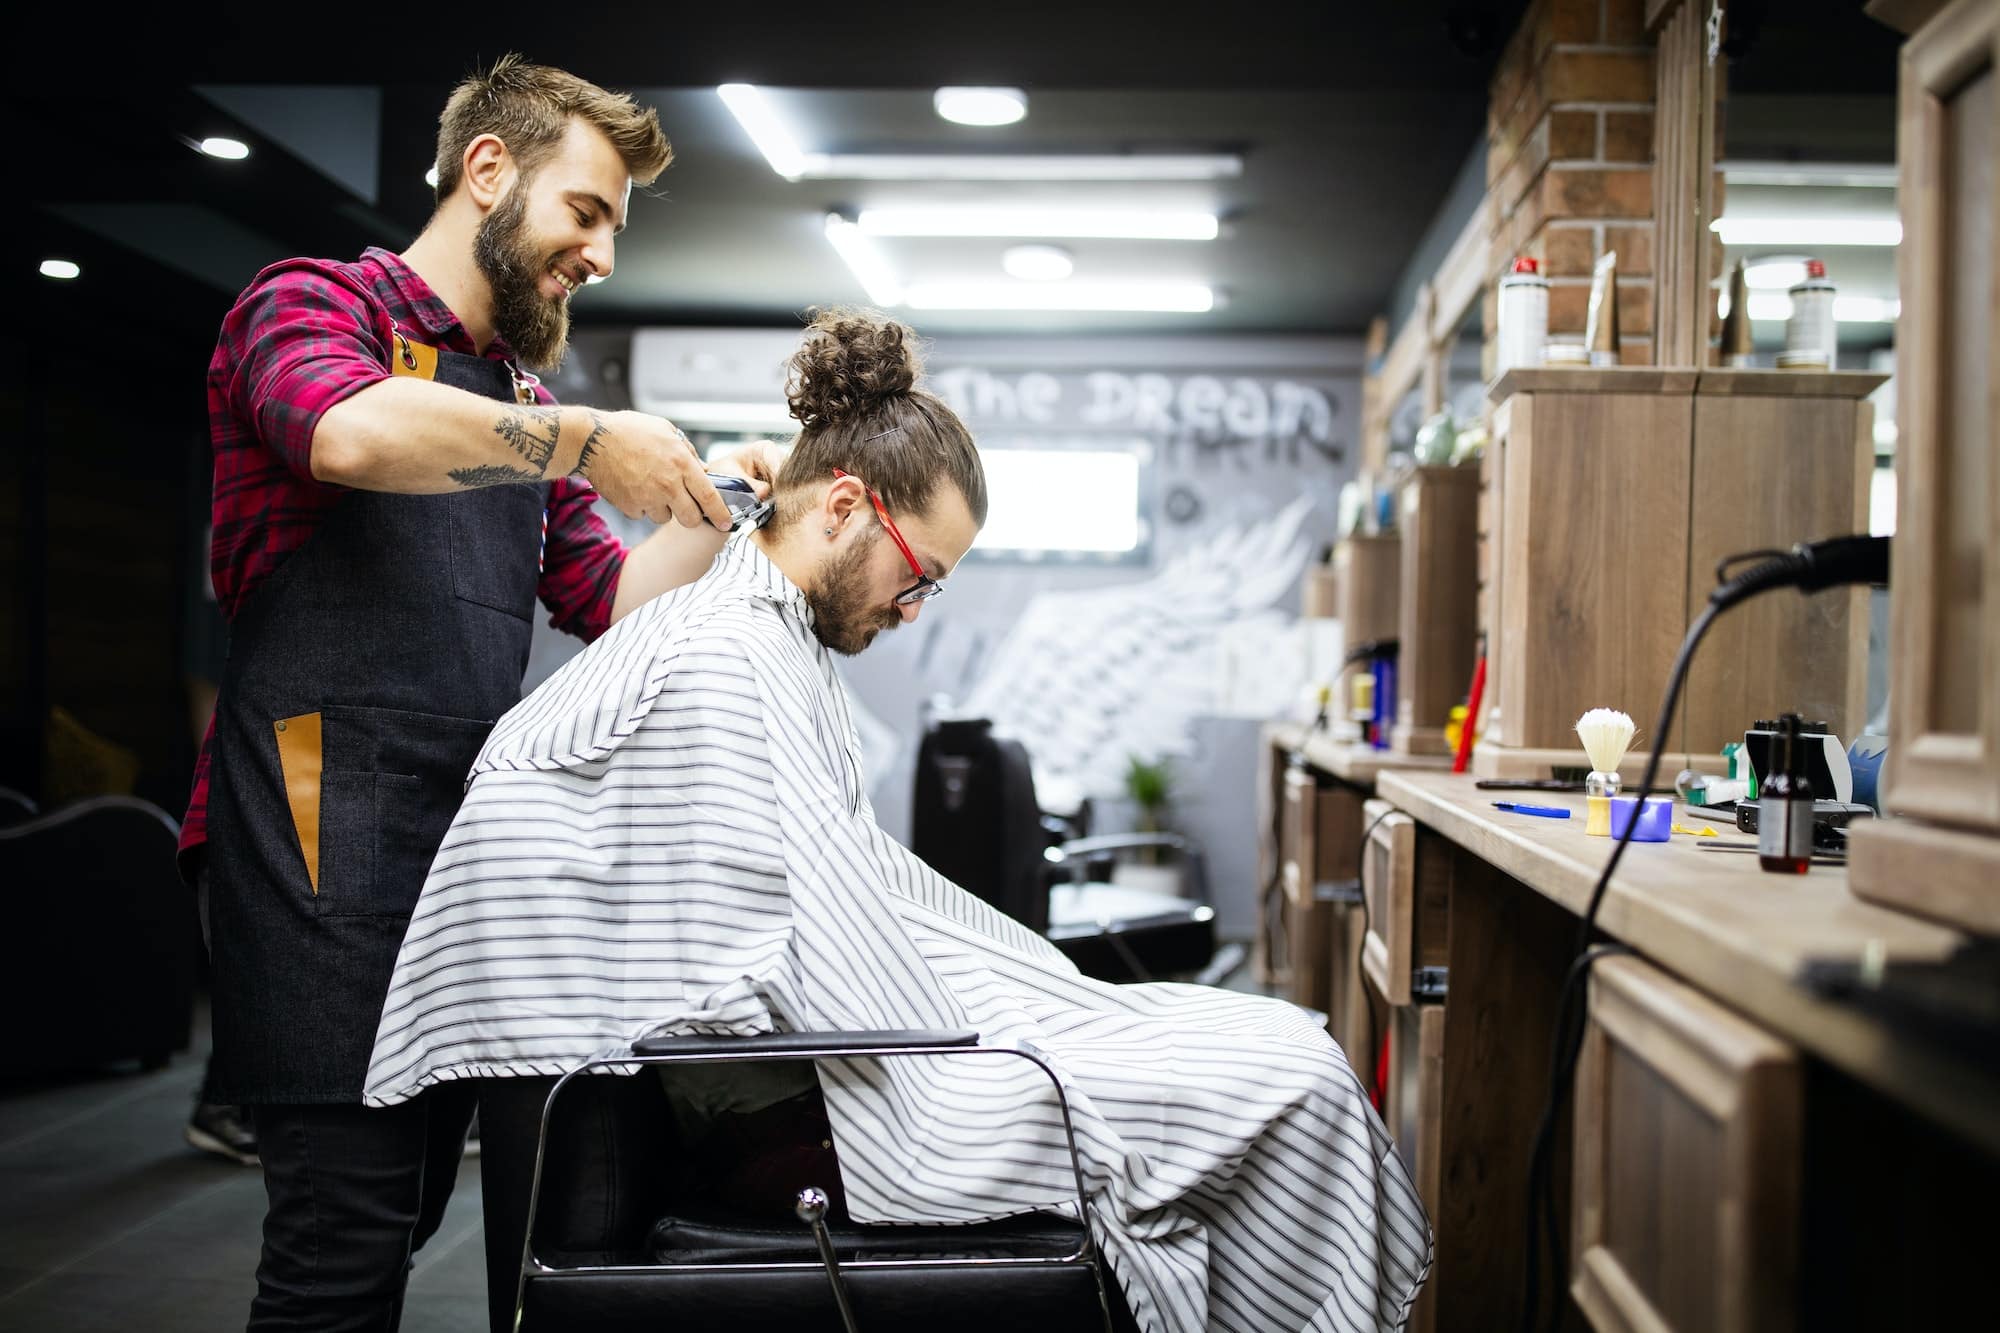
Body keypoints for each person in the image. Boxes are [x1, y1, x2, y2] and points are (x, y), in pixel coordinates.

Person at [363, 308, 1434, 1333]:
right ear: (840, 505)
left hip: (818, 1068)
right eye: (915, 575)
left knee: (1270, 1043)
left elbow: (825, 908)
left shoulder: (761, 637)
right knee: (1283, 1077)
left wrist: (1032, 996)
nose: (912, 609)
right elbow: (786, 960)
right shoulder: (724, 653)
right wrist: (1005, 1025)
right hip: (819, 1103)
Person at [185, 54, 774, 1328]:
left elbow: (615, 608)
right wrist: (584, 437)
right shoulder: (306, 303)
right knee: (338, 1237)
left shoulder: (515, 399)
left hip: (448, 856)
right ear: (489, 171)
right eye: (586, 211)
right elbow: (344, 429)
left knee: (403, 1217)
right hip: (312, 825)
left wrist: (719, 515)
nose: (600, 254)